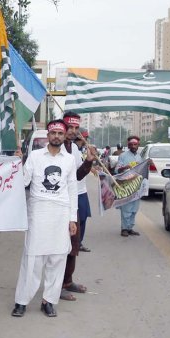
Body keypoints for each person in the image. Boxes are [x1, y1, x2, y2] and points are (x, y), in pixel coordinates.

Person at [12, 119, 78, 319]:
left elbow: (72, 190)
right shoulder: (35, 156)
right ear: (48, 135)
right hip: (38, 212)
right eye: (53, 133)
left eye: (60, 133)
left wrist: (72, 219)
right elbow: (23, 181)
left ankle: (49, 301)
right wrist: (18, 164)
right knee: (33, 258)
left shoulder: (69, 160)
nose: (56, 136)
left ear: (64, 135)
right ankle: (21, 301)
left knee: (57, 258)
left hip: (60, 213)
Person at [58, 114, 96, 302]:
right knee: (60, 246)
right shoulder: (55, 150)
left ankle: (67, 281)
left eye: (76, 128)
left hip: (74, 201)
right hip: (58, 204)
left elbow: (78, 176)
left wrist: (89, 161)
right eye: (69, 127)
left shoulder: (73, 148)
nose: (73, 131)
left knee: (73, 244)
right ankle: (56, 286)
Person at [116, 136, 146, 237]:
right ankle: (124, 228)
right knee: (126, 208)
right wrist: (125, 167)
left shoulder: (139, 157)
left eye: (135, 144)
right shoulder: (123, 156)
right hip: (127, 186)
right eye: (131, 144)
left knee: (134, 209)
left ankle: (130, 228)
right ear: (128, 145)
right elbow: (117, 170)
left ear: (138, 145)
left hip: (137, 186)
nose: (133, 146)